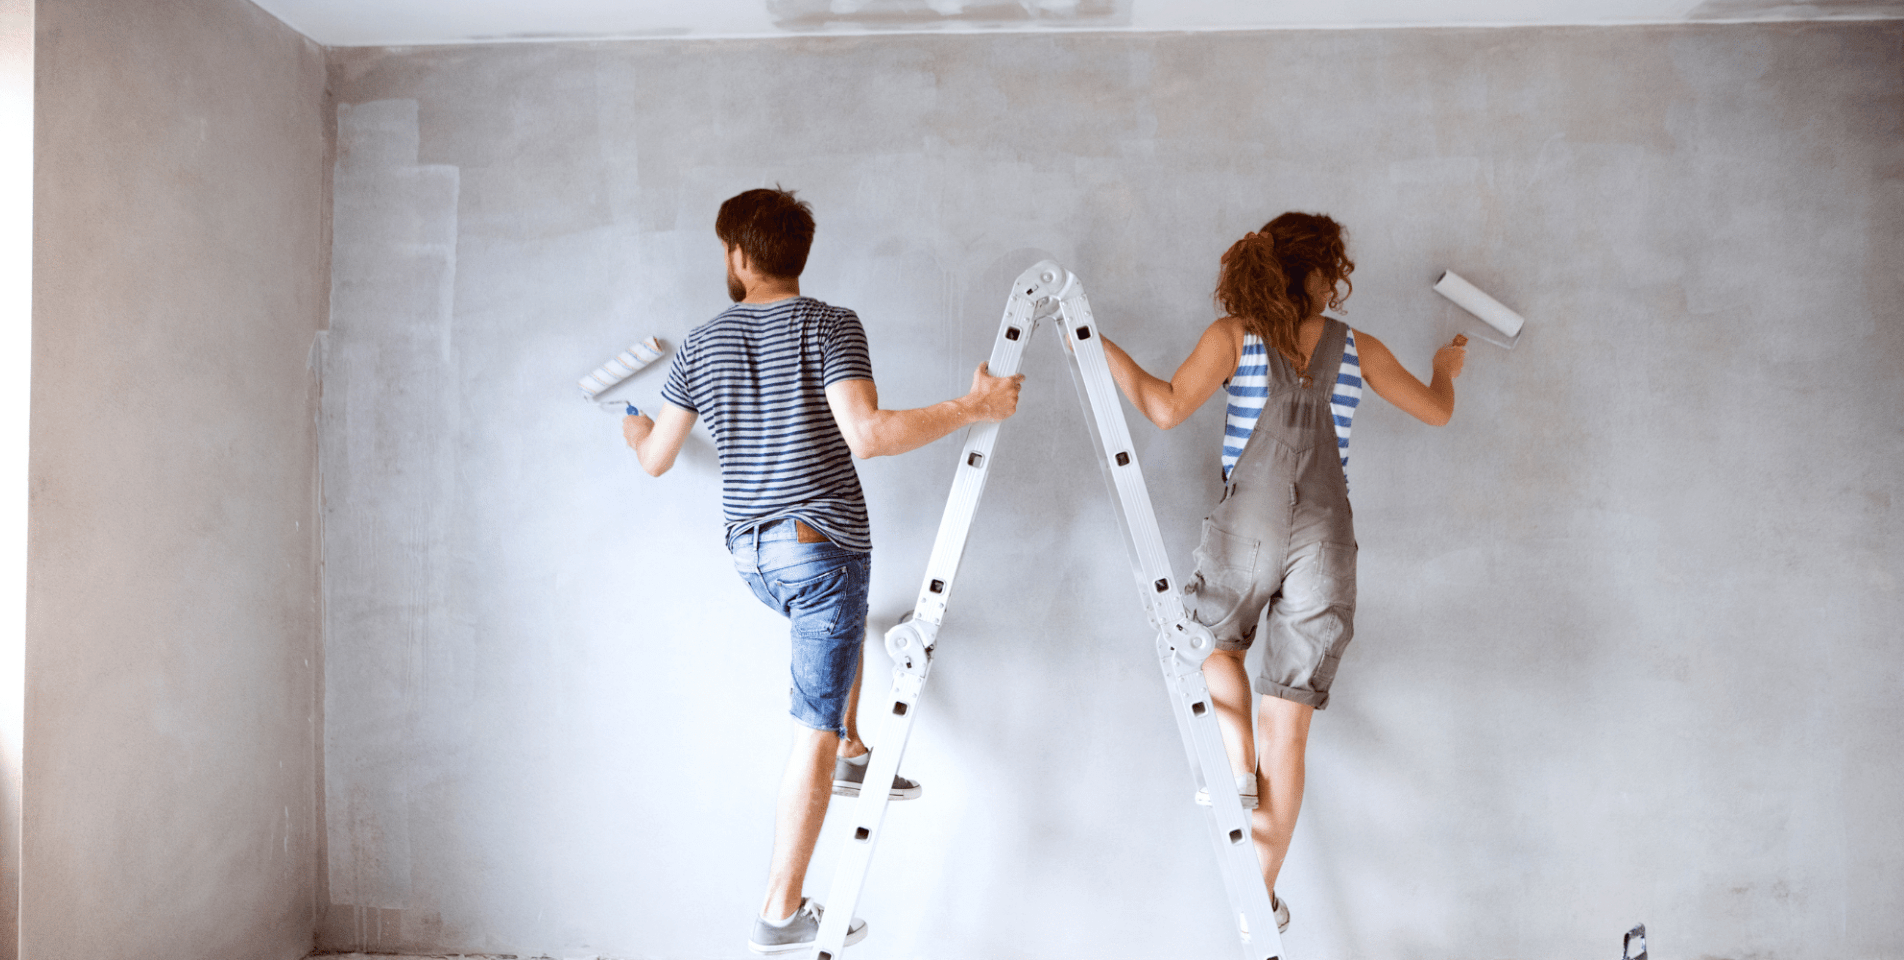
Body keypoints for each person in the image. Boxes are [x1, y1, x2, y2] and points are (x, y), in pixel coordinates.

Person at [621, 187, 1024, 954]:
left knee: (837, 648)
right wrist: (975, 406)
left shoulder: (702, 344)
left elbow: (656, 461)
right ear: (794, 254)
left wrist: (637, 429)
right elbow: (867, 436)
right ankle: (780, 908)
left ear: (739, 256)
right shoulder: (828, 325)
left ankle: (852, 748)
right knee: (810, 718)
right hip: (818, 548)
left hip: (752, 555)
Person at [1099, 212, 1467, 934]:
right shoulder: (1357, 348)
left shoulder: (1234, 337)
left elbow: (1164, 408)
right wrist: (1445, 373)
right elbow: (1436, 413)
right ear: (1314, 274)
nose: (1339, 282)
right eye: (1334, 269)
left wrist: (1098, 346)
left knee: (1212, 643)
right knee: (1289, 735)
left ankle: (1235, 765)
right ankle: (1256, 904)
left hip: (1249, 531)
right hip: (1326, 542)